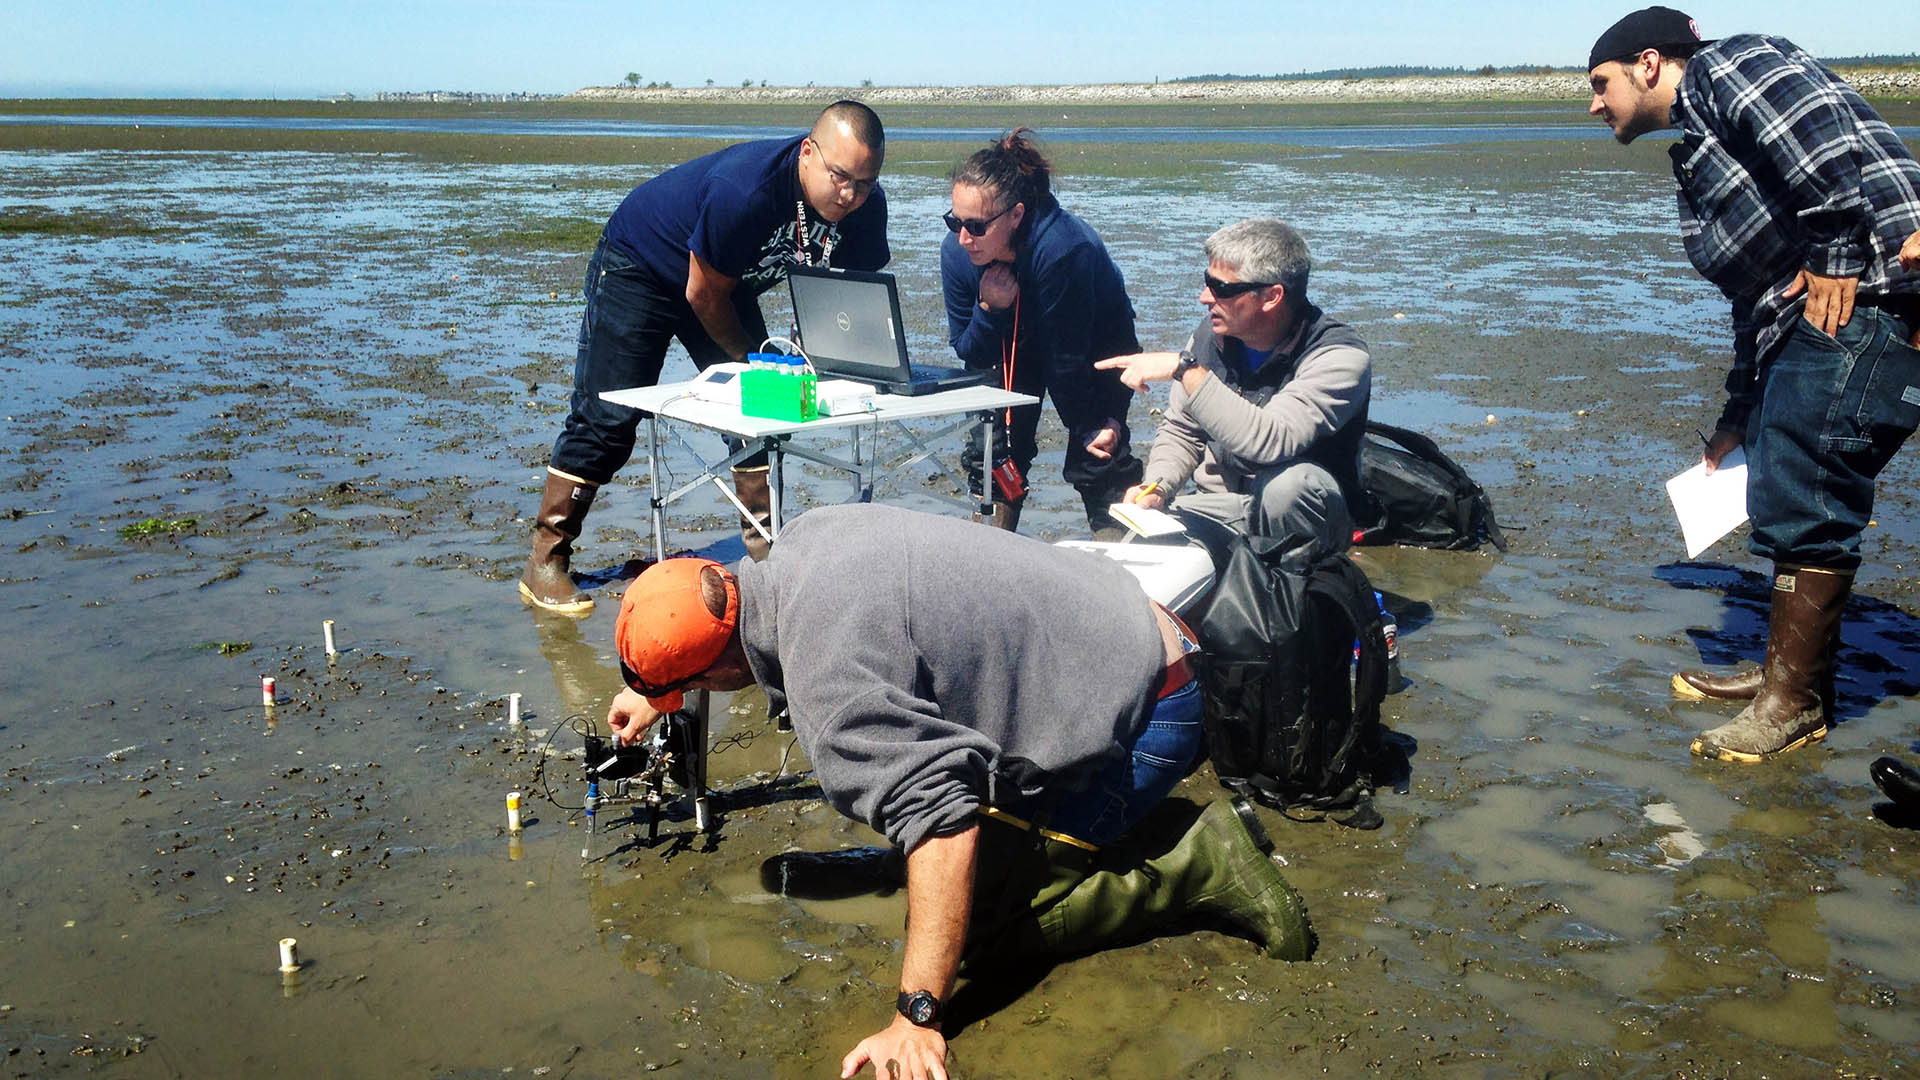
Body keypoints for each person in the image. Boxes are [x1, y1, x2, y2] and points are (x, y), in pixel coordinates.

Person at [606, 504, 1312, 1080]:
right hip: (1124, 621)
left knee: (976, 943)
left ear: (715, 671)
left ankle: (1201, 864)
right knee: (916, 788)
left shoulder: (832, 690)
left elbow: (947, 827)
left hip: (1153, 709)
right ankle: (905, 866)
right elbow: (721, 635)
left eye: (691, 686)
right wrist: (656, 693)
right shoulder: (803, 542)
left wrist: (917, 1016)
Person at [1585, 8, 1920, 761]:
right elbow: (1755, 294)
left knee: (1810, 491)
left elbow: (1821, 133)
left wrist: (1836, 255)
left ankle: (1792, 705)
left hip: (1873, 290)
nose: (1594, 103)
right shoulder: (1700, 149)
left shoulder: (1728, 66)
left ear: (1648, 64)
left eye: (1600, 83)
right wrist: (1740, 408)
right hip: (1811, 313)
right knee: (1781, 481)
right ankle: (1783, 680)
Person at [519, 101, 891, 615]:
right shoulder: (746, 192)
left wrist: (840, 365)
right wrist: (752, 362)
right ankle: (546, 560)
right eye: (840, 177)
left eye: (866, 182)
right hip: (642, 265)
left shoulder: (865, 207)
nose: (851, 195)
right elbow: (701, 295)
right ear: (808, 153)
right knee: (609, 419)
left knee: (758, 415)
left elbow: (846, 296)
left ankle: (764, 558)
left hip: (722, 280)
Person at [1096, 218, 1371, 564]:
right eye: (1206, 281)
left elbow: (1271, 440)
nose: (1204, 297)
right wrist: (1158, 488)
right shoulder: (1211, 339)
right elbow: (1183, 430)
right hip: (1222, 506)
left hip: (1304, 514)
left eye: (1221, 288)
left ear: (1272, 297)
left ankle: (1299, 596)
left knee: (1289, 488)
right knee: (1139, 552)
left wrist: (1186, 370)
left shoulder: (1339, 357)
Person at [940, 128, 1143, 537]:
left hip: (1095, 343)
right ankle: (992, 556)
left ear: (1015, 215)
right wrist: (988, 308)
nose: (963, 238)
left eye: (976, 226)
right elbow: (968, 349)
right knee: (992, 455)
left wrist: (1090, 426)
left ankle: (1121, 559)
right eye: (954, 221)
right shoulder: (959, 253)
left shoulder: (1064, 248)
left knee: (1097, 455)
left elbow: (1065, 361)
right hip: (1011, 337)